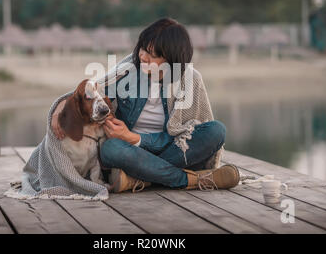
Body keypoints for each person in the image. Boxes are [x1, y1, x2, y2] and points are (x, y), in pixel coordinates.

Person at [52, 18, 239, 193]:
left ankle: (140, 177)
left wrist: (134, 137)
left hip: (171, 148)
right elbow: (90, 90)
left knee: (217, 131)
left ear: (171, 60)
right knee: (111, 149)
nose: (142, 56)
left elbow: (190, 132)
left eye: (152, 54)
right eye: (143, 48)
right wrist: (59, 106)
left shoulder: (190, 79)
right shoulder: (127, 71)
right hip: (129, 151)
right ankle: (191, 180)